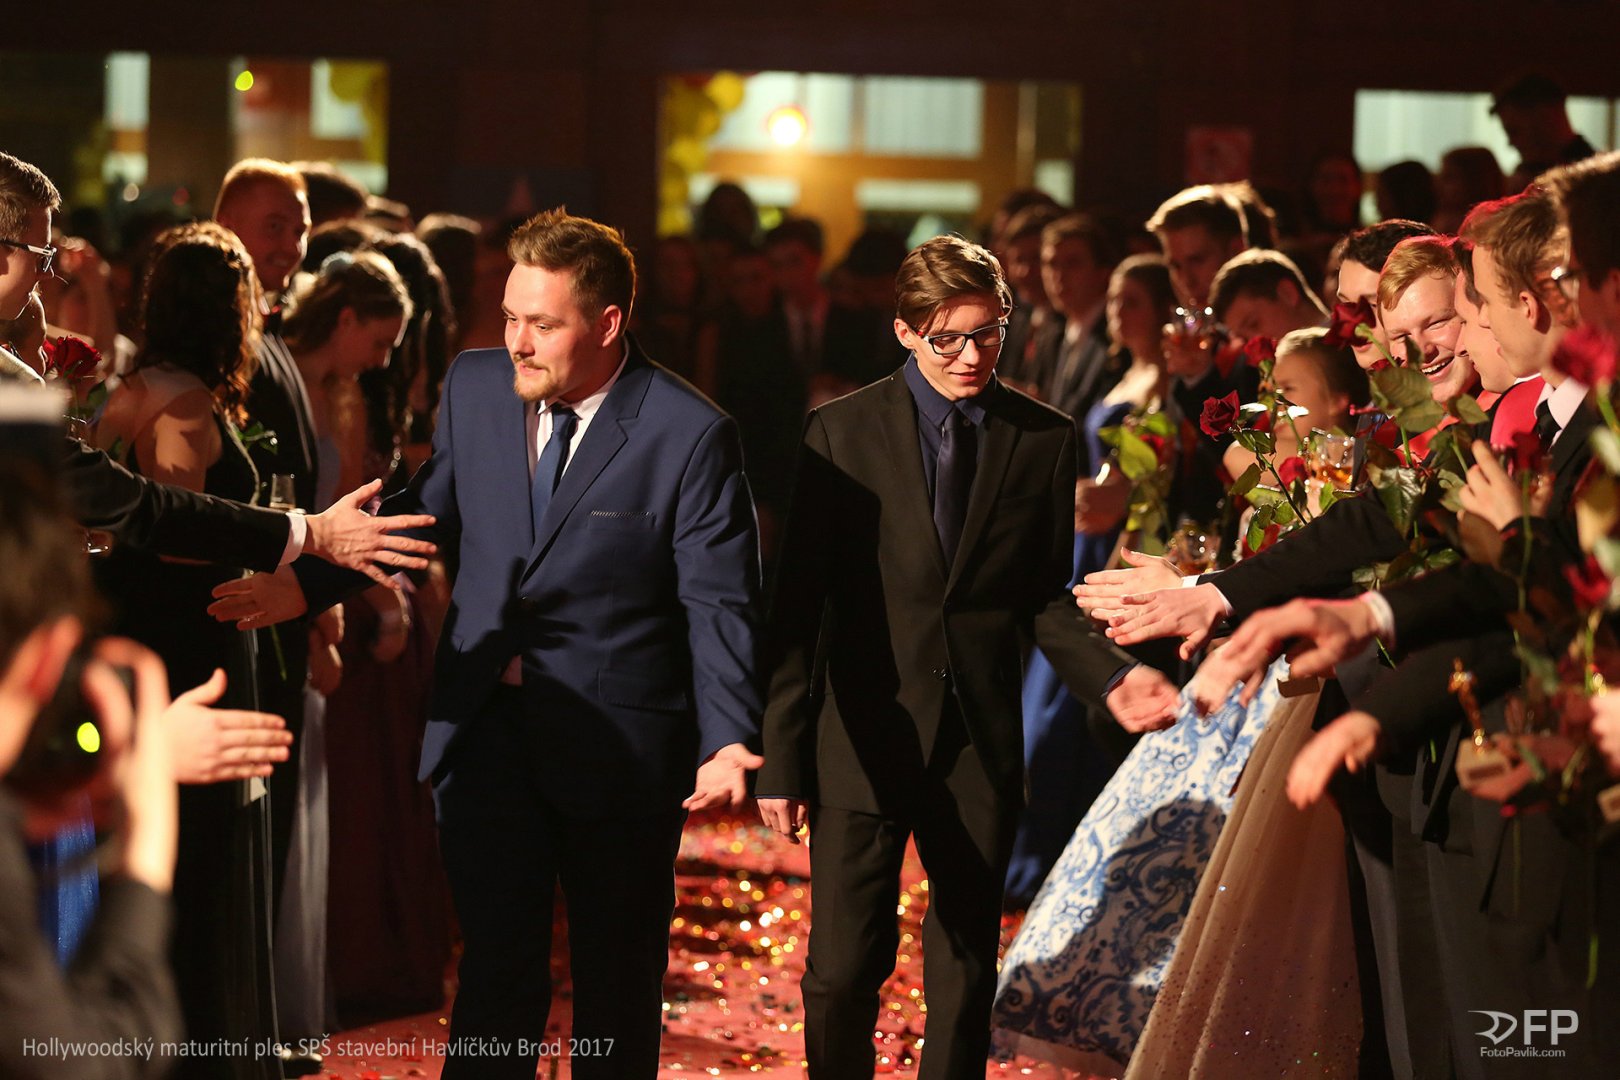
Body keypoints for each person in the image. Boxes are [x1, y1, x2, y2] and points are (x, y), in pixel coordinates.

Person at [214, 208, 766, 1080]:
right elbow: (421, 515)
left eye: (542, 324)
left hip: (620, 750)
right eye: (510, 316)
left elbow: (719, 598)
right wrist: (306, 582)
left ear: (608, 324)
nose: (516, 341)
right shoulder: (476, 386)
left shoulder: (689, 432)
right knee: (495, 975)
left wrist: (729, 734)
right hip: (487, 735)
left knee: (616, 985)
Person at [754, 234, 1138, 1080]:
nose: (970, 357)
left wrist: (1112, 677)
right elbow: (799, 609)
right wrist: (781, 756)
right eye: (948, 339)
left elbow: (1043, 597)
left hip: (977, 737)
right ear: (905, 332)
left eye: (987, 334)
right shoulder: (840, 431)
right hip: (861, 732)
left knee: (965, 968)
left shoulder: (1042, 438)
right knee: (842, 970)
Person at [1492, 72, 1599, 190]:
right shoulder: (1523, 177)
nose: (1511, 143)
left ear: (1545, 116)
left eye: (1514, 131)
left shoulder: (1597, 179)